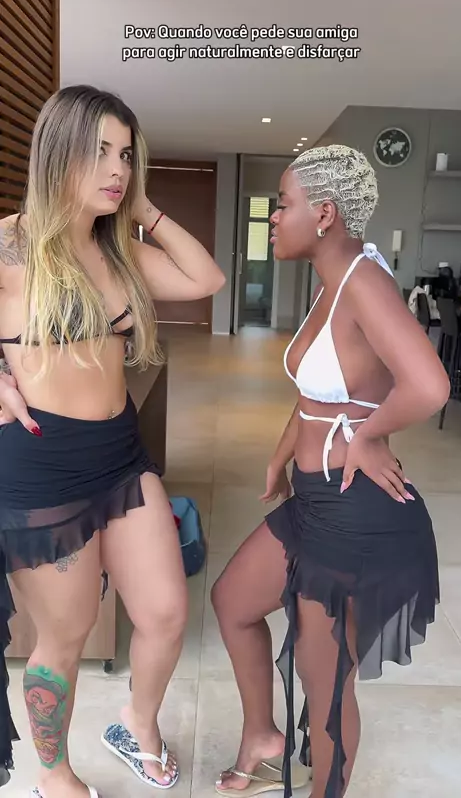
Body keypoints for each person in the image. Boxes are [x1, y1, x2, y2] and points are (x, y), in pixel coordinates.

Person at [0, 84, 225, 798]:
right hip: (42, 468)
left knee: (165, 611)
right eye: (99, 151)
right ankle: (53, 774)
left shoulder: (118, 247)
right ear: (57, 151)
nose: (118, 168)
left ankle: (136, 722)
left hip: (121, 457)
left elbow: (207, 278)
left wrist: (145, 209)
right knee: (64, 638)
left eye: (126, 154)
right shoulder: (8, 247)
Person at [211, 145, 450, 798]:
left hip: (354, 513)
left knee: (325, 680)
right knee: (233, 602)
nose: (273, 217)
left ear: (323, 214)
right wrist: (282, 451)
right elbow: (321, 392)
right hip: (314, 501)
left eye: (282, 205)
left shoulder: (363, 281)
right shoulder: (332, 276)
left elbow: (429, 385)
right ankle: (263, 738)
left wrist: (369, 434)